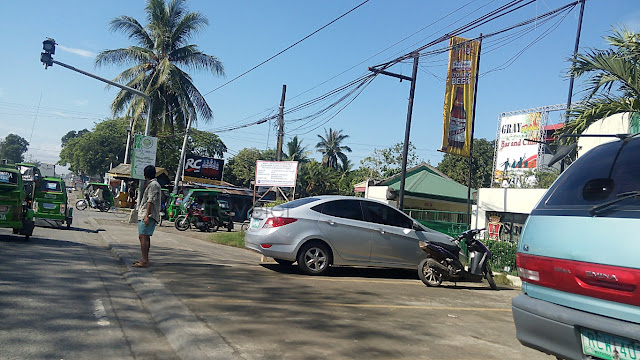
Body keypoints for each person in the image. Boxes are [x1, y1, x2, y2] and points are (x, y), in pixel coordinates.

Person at [133, 165, 161, 268]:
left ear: (145, 174)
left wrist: (146, 215)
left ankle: (144, 260)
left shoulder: (153, 185)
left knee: (143, 237)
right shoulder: (152, 184)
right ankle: (145, 258)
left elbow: (151, 200)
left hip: (148, 214)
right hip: (146, 213)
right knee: (144, 236)